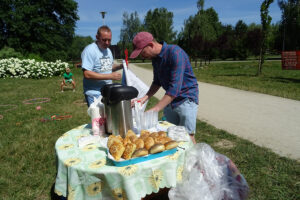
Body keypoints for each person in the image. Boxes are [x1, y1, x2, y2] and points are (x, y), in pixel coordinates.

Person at [130, 32, 199, 144]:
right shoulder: (155, 59)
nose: (142, 56)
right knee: (171, 135)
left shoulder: (175, 53)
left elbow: (174, 89)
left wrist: (155, 109)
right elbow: (157, 82)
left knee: (187, 137)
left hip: (186, 99)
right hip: (170, 101)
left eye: (142, 52)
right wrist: (144, 98)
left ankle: (195, 161)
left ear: (151, 45)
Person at [81, 25, 123, 107]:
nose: (107, 43)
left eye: (109, 40)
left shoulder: (108, 50)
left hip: (108, 91)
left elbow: (107, 67)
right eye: (104, 40)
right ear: (97, 37)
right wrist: (110, 76)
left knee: (109, 118)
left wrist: (120, 66)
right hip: (94, 93)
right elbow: (87, 74)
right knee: (98, 118)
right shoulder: (90, 50)